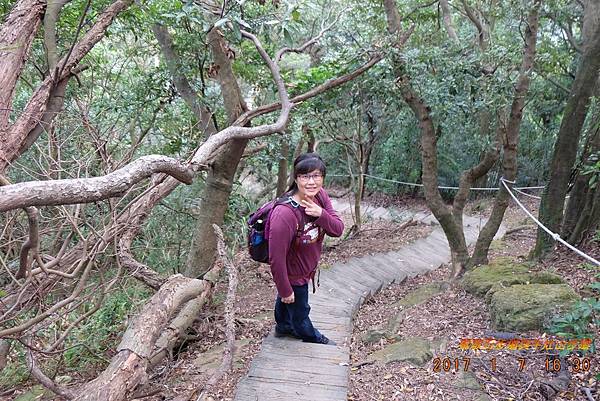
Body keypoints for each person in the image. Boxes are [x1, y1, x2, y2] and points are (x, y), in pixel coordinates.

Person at [267, 152, 344, 345]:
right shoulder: (284, 214)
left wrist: (321, 214)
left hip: (306, 269)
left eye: (316, 175)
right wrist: (285, 289)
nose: (312, 182)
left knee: (288, 305)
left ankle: (283, 326)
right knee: (301, 314)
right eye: (305, 176)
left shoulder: (320, 196)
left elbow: (337, 229)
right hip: (293, 275)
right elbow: (276, 258)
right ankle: (313, 337)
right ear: (296, 178)